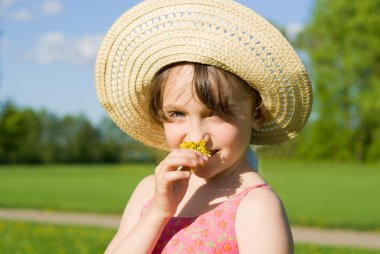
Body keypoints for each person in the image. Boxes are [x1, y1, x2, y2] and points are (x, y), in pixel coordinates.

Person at [94, 0, 312, 253]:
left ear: (257, 113)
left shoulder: (256, 206)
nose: (196, 135)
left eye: (216, 113)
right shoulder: (149, 192)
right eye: (177, 113)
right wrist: (159, 212)